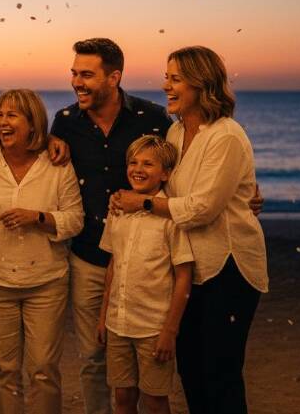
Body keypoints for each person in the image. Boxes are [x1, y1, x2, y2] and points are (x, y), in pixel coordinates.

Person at [110, 46, 269, 414]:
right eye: (166, 77)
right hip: (188, 267)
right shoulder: (177, 133)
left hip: (228, 267)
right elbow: (164, 185)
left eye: (176, 78)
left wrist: (143, 204)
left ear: (201, 84)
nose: (166, 85)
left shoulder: (226, 136)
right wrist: (128, 197)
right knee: (192, 373)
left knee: (221, 374)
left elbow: (203, 208)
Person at [49, 38, 174, 414]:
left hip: (145, 262)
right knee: (92, 358)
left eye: (86, 74)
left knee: (150, 362)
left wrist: (242, 193)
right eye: (74, 73)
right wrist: (51, 141)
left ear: (114, 76)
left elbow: (183, 171)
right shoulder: (66, 122)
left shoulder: (152, 118)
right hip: (88, 255)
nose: (76, 82)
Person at [0, 89, 83, 414]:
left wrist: (38, 218)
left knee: (43, 371)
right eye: (0, 114)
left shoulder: (57, 163)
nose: (2, 122)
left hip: (46, 283)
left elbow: (75, 220)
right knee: (4, 370)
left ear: (33, 123)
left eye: (12, 115)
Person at [97, 135, 194, 414]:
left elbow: (184, 278)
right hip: (119, 323)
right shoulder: (118, 210)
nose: (138, 169)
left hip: (153, 328)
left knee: (154, 400)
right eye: (133, 162)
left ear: (165, 173)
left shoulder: (170, 219)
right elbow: (114, 265)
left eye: (148, 164)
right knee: (123, 397)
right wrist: (104, 316)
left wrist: (169, 332)